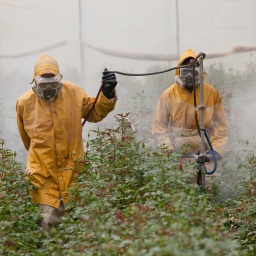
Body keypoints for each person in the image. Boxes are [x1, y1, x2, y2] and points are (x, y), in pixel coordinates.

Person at [16, 54, 118, 231]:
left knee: (80, 227)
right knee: (48, 225)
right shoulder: (24, 103)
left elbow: (94, 113)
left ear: (60, 79)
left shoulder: (74, 92)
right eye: (43, 85)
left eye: (53, 84)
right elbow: (27, 141)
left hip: (74, 174)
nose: (49, 89)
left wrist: (107, 92)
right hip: (42, 178)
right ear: (35, 82)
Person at [152, 49, 228, 186]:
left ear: (199, 72)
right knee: (183, 191)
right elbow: (159, 127)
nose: (188, 76)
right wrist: (168, 149)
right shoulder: (168, 95)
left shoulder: (210, 93)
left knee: (208, 189)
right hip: (181, 151)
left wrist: (215, 150)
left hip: (206, 149)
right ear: (178, 72)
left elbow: (221, 127)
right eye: (185, 71)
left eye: (192, 71)